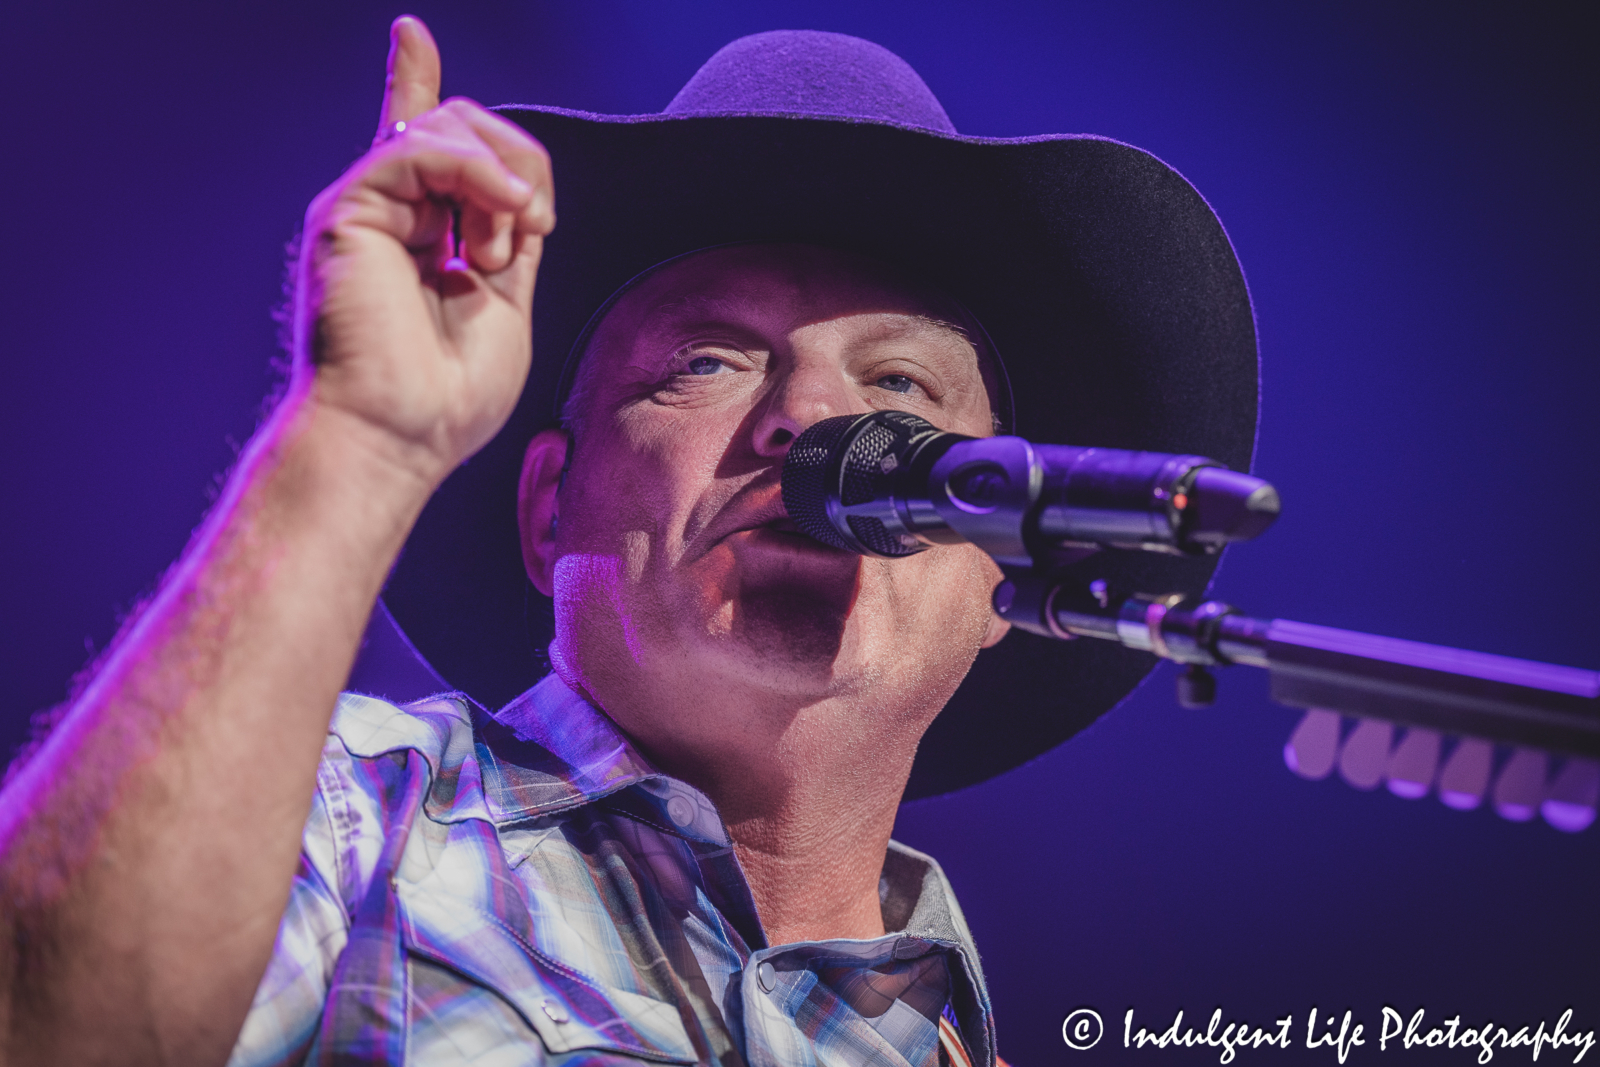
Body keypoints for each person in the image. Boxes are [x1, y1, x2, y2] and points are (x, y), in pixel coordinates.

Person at [0, 15, 1257, 1066]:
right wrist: (359, 435)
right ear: (549, 508)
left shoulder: (946, 1035)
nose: (812, 421)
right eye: (707, 363)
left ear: (995, 576)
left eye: (903, 392)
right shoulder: (345, 816)